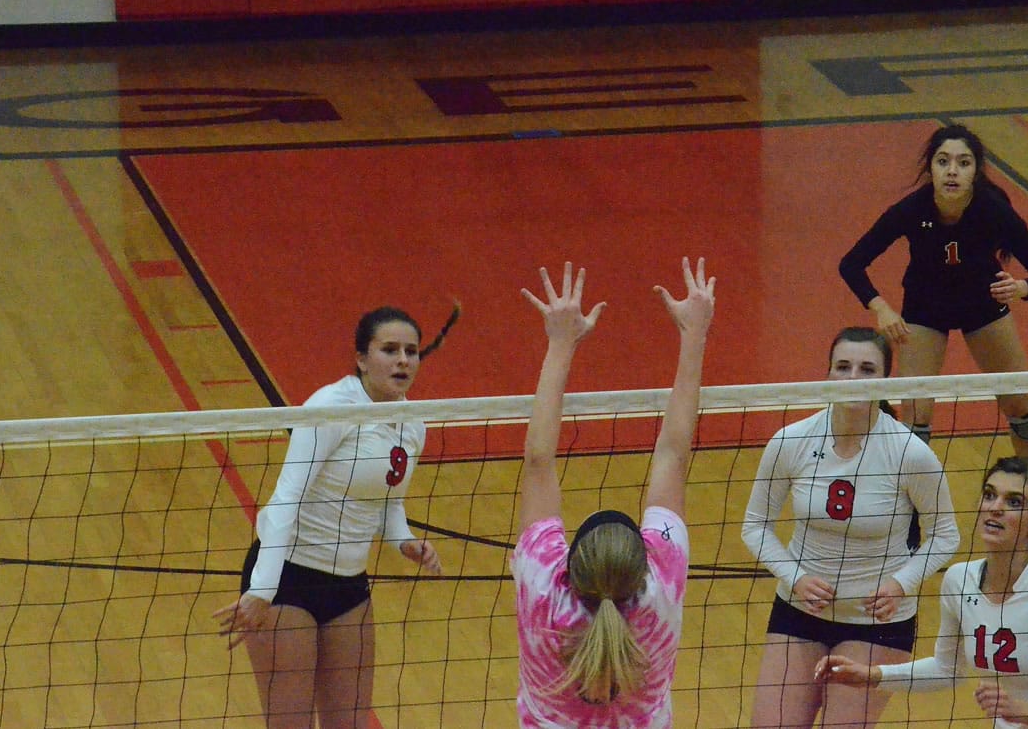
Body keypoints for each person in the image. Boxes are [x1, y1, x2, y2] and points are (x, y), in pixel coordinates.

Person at [213, 304, 459, 729]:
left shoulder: (412, 424)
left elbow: (388, 500)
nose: (403, 359)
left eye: (411, 351)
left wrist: (403, 540)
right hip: (287, 581)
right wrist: (263, 588)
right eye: (389, 350)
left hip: (349, 586)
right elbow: (284, 501)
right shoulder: (331, 407)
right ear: (362, 359)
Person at [511, 257, 714, 728]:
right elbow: (673, 457)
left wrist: (560, 343)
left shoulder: (545, 587)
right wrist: (694, 336)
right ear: (642, 566)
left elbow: (538, 462)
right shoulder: (660, 587)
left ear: (570, 567)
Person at [741, 326, 961, 728]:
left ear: (885, 381)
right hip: (799, 611)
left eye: (866, 368)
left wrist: (901, 583)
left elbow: (946, 535)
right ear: (827, 374)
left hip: (876, 622)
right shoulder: (791, 441)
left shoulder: (910, 453)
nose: (853, 378)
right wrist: (796, 577)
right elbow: (755, 526)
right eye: (843, 367)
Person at [817, 456, 1028, 727]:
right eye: (990, 495)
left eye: (1014, 502)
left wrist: (1027, 710)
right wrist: (872, 676)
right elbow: (947, 669)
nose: (995, 508)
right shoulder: (959, 580)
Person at [839, 124, 1028, 460]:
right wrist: (881, 307)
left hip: (982, 306)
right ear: (931, 169)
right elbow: (852, 263)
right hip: (925, 308)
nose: (952, 171)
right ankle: (908, 508)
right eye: (943, 162)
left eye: (963, 162)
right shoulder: (912, 210)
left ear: (976, 171)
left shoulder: (994, 210)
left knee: (1020, 407)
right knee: (916, 418)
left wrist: (1021, 288)